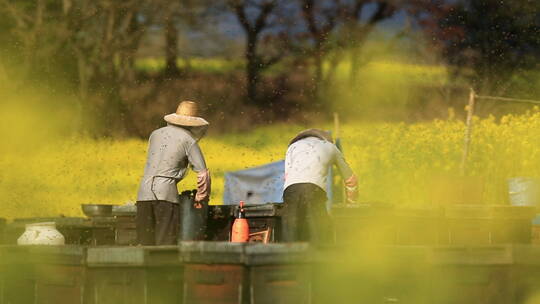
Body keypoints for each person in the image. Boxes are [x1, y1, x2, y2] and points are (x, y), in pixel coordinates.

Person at [136, 100, 211, 245]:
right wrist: (201, 197)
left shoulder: (155, 134)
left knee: (144, 244)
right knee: (165, 245)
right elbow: (203, 174)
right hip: (166, 196)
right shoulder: (188, 140)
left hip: (143, 194)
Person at [283, 129, 358, 244]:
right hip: (313, 190)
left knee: (291, 235)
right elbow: (351, 179)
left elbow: (287, 176)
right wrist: (351, 203)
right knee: (319, 235)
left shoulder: (293, 147)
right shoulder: (330, 146)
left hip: (290, 191)